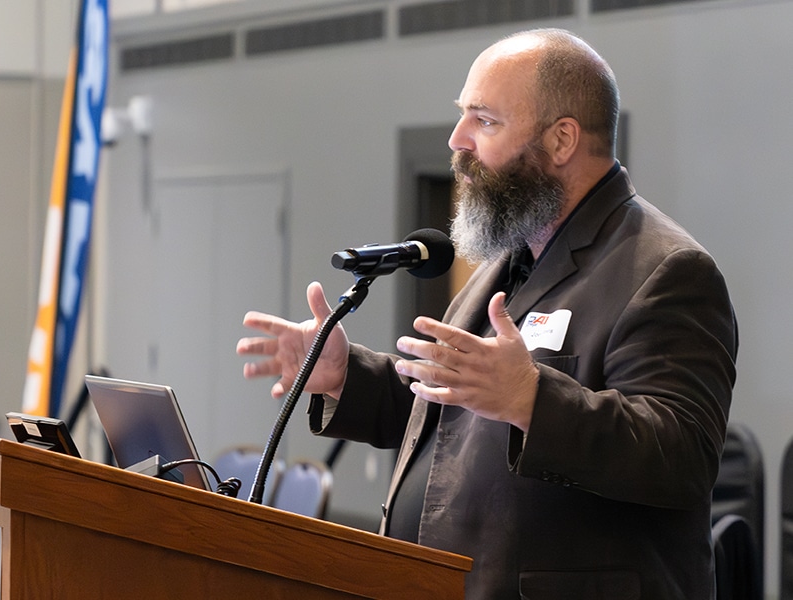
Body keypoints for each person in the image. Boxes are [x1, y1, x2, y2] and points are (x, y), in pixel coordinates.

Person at [237, 28, 737, 599]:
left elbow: (682, 457)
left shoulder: (665, 271)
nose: (458, 141)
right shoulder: (510, 261)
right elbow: (453, 415)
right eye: (462, 117)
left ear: (562, 139)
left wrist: (531, 399)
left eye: (485, 121)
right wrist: (345, 375)